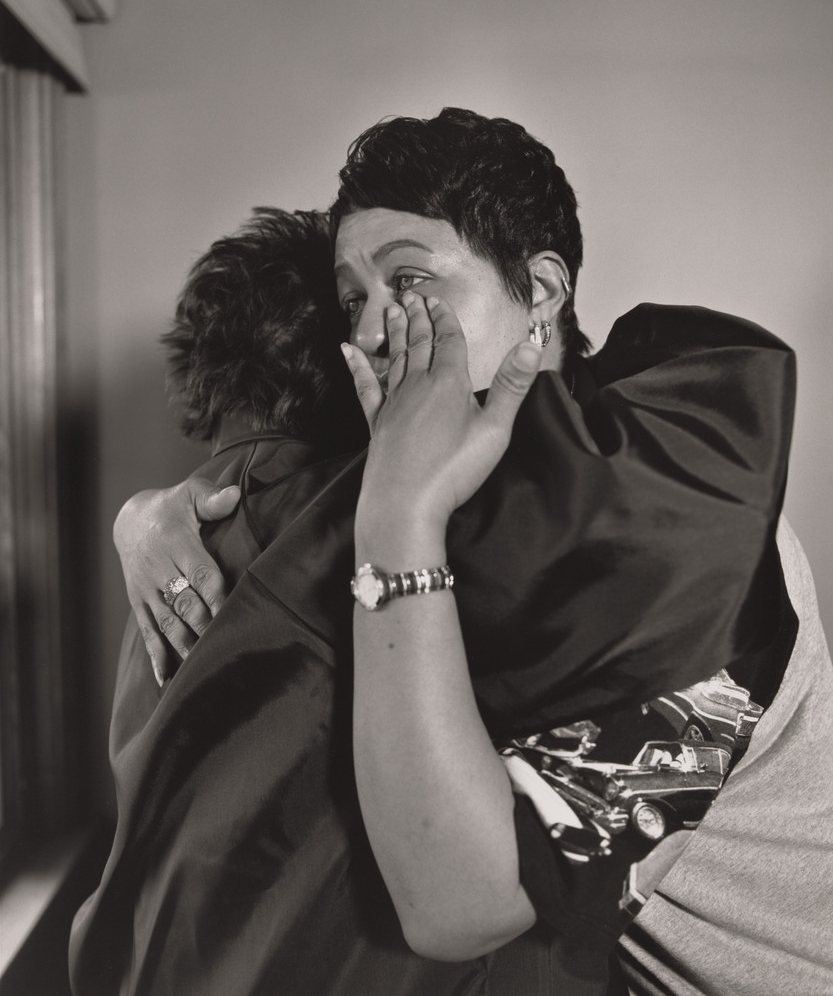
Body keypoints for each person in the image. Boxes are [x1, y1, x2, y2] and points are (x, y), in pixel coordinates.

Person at [105, 109, 832, 995]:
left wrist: (397, 515)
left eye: (410, 279)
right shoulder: (476, 489)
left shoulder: (680, 527)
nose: (371, 333)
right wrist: (155, 513)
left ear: (544, 295)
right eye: (351, 302)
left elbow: (461, 906)